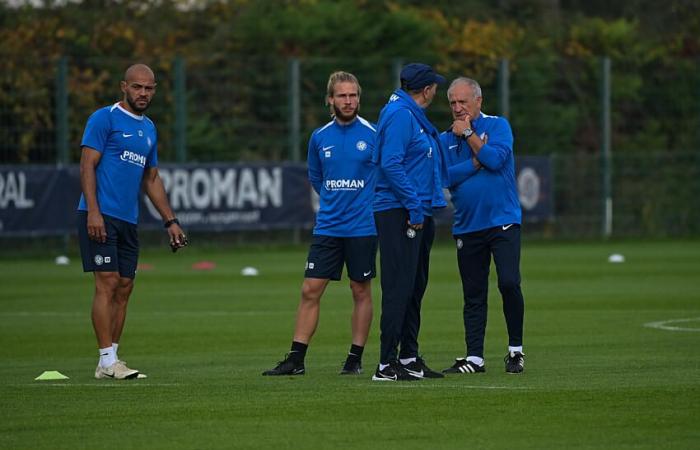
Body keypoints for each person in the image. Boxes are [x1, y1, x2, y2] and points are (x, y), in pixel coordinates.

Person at [262, 71, 377, 376]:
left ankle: (354, 358)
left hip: (362, 227)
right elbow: (316, 177)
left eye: (353, 95)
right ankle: (296, 359)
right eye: (342, 95)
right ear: (330, 99)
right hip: (327, 226)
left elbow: (385, 176)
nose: (349, 101)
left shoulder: (373, 134)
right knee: (310, 289)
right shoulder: (319, 137)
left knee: (360, 289)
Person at [77, 63, 188, 380]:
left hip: (128, 219)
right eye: (137, 87)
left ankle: (109, 360)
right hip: (100, 214)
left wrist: (170, 221)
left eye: (149, 88)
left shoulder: (149, 128)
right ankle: (107, 359)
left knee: (125, 287)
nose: (143, 93)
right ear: (123, 86)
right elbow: (87, 166)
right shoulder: (104, 118)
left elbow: (151, 178)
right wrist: (94, 211)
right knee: (107, 282)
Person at [439, 77, 525, 375]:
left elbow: (495, 160)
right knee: (473, 294)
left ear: (479, 101)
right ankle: (474, 358)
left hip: (503, 221)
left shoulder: (499, 126)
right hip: (467, 226)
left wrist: (470, 136)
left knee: (509, 282)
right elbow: (444, 178)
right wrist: (474, 163)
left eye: (463, 101)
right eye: (452, 102)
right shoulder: (443, 139)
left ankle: (516, 351)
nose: (457, 107)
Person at [371, 63, 448, 381]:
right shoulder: (402, 115)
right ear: (427, 89)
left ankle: (408, 357)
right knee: (399, 286)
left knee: (414, 287)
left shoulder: (410, 114)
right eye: (435, 87)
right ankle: (386, 363)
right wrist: (414, 208)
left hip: (417, 209)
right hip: (400, 211)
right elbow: (390, 162)